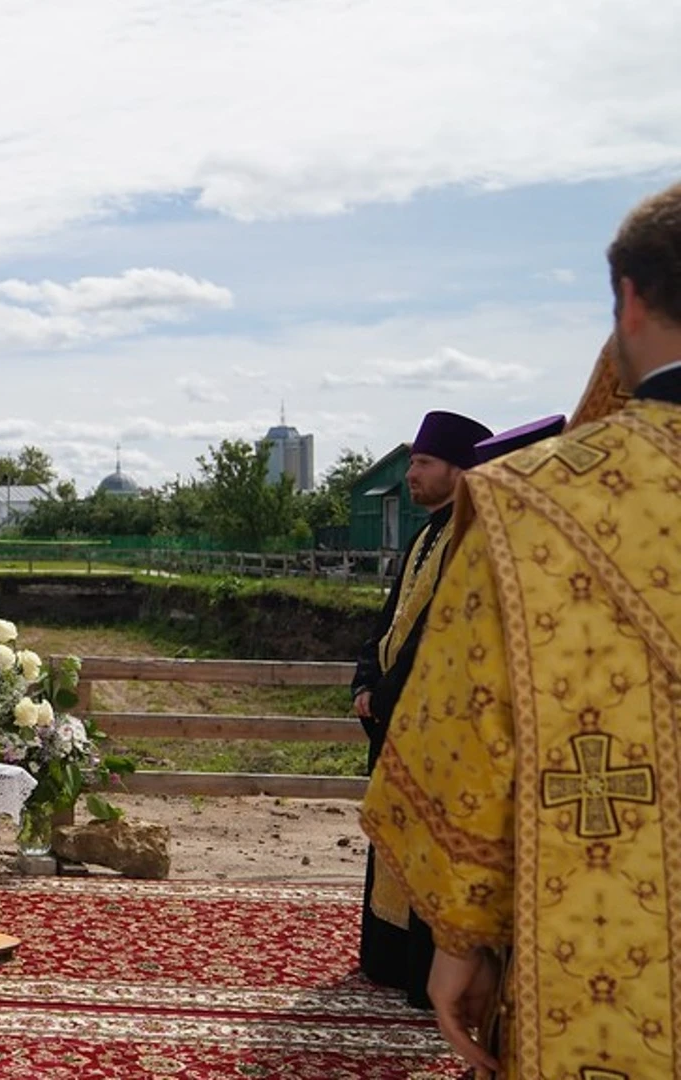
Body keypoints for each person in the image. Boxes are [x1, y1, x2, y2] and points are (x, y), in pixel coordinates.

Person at [361, 178, 681, 1078]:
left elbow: (462, 744)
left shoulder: (528, 508)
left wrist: (460, 939)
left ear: (627, 299)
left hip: (608, 953)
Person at [349, 409, 489, 1008]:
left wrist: (386, 695)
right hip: (395, 713)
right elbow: (390, 621)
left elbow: (438, 634)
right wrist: (364, 680)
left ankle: (424, 974)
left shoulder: (472, 538)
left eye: (424, 462)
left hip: (434, 723)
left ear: (459, 471)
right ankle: (386, 957)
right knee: (392, 833)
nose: (411, 473)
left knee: (429, 839)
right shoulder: (425, 531)